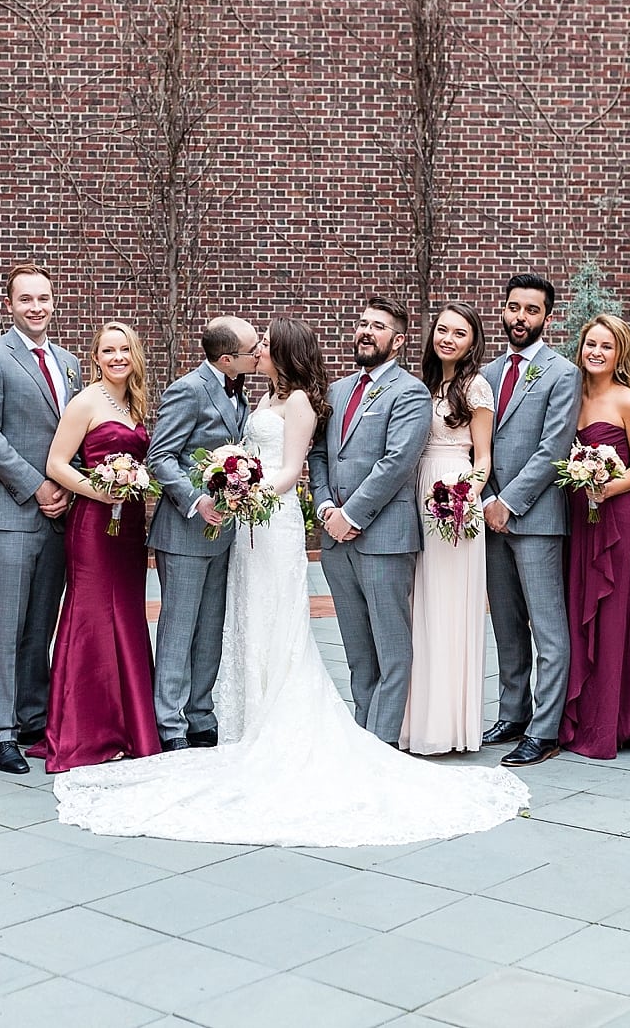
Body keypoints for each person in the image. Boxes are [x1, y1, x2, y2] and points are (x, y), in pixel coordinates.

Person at [52, 316, 529, 846]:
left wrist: (259, 493)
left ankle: (346, 736)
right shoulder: (249, 396)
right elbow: (224, 457)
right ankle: (197, 722)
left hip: (271, 519)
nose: (259, 352)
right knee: (226, 622)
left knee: (285, 622)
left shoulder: (305, 401)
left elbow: (304, 465)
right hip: (233, 524)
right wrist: (241, 492)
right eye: (253, 347)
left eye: (265, 347)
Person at [0, 263, 85, 775]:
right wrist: (36, 486)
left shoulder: (71, 363)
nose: (36, 307)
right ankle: (3, 731)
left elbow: (78, 433)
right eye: (26, 299)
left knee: (41, 623)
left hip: (59, 516)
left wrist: (71, 487)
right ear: (8, 305)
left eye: (44, 298)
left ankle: (34, 718)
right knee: (5, 626)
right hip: (12, 512)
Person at [31, 322, 159, 773]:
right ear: (96, 356)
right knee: (90, 615)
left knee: (125, 614)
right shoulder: (86, 401)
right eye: (109, 350)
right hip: (93, 524)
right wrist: (97, 489)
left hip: (128, 529)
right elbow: (55, 463)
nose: (118, 357)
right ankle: (85, 729)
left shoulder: (135, 403)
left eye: (125, 348)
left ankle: (127, 725)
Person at [308, 296, 433, 744]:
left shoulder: (410, 392)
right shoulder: (337, 391)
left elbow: (397, 462)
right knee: (358, 652)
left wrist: (352, 515)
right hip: (336, 542)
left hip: (383, 539)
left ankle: (381, 748)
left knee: (391, 650)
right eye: (362, 323)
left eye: (377, 326)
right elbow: (319, 454)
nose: (365, 331)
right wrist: (325, 509)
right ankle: (361, 741)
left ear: (397, 340)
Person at [145, 315, 260, 751]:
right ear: (228, 359)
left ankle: (199, 714)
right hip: (185, 532)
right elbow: (161, 456)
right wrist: (197, 500)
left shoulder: (241, 390)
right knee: (180, 627)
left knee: (211, 626)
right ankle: (169, 724)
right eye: (253, 349)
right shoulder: (188, 390)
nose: (260, 352)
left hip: (225, 532)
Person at [480, 273, 581, 767]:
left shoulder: (563, 373)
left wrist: (509, 501)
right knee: (506, 624)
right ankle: (513, 711)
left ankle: (545, 729)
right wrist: (486, 498)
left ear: (547, 317)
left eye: (532, 310)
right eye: (514, 307)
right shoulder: (487, 373)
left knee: (547, 629)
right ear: (503, 309)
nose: (521, 317)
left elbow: (553, 448)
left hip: (536, 518)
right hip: (489, 515)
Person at [558, 314, 630, 759]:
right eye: (590, 344)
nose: (596, 352)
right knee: (578, 614)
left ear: (620, 354)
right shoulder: (567, 396)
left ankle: (613, 724)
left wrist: (609, 486)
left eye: (607, 346)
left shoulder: (629, 402)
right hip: (577, 519)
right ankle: (577, 715)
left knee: (614, 618)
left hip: (616, 521)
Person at [402, 302, 493, 755]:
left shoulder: (475, 387)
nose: (448, 339)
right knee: (421, 604)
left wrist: (464, 498)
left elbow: (484, 460)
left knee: (449, 605)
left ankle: (450, 726)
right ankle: (417, 719)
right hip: (418, 492)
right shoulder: (423, 384)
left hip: (453, 498)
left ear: (473, 341)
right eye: (442, 330)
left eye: (459, 333)